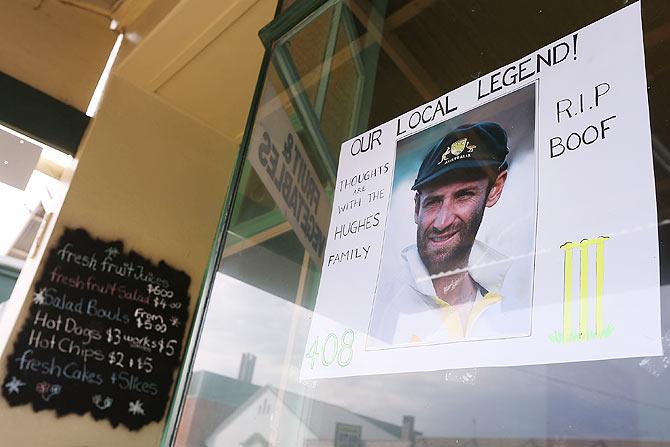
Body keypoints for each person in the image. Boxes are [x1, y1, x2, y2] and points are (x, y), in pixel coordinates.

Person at [371, 122, 528, 345]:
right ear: (417, 208)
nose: (442, 222)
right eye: (433, 202)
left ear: (494, 190)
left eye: (463, 196)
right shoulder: (380, 306)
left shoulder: (514, 296)